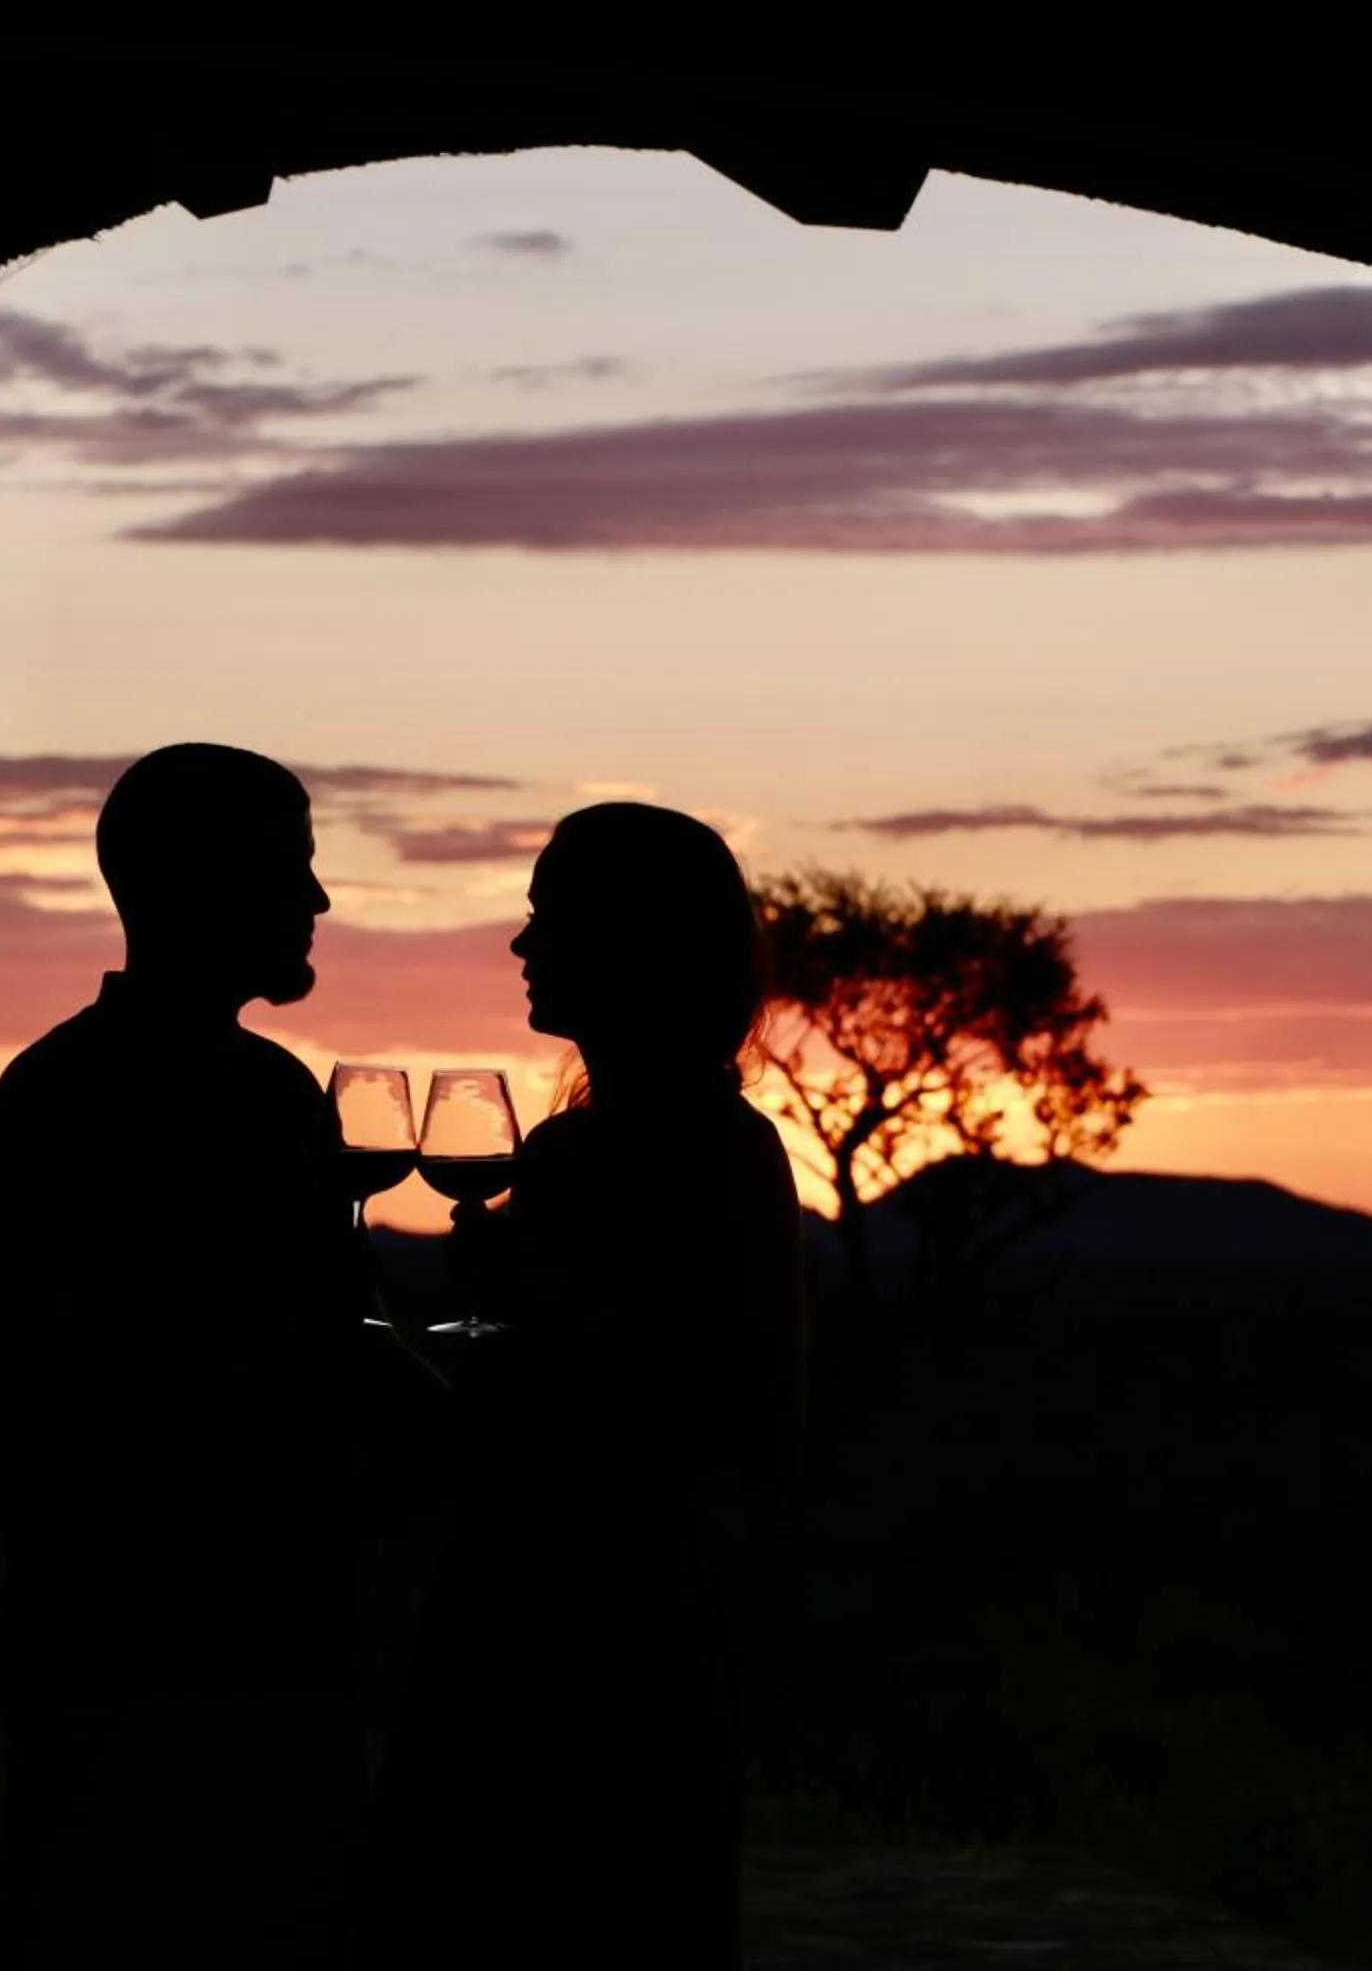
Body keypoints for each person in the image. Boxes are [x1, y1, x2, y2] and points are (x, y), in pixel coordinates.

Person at [0, 742, 442, 1971]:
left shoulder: (284, 1096)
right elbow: (37, 1420)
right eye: (297, 866)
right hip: (128, 1669)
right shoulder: (63, 1103)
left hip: (292, 1652)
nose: (320, 901)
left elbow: (331, 1342)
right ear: (196, 882)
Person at [357, 802, 807, 1971]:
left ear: (641, 937)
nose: (522, 942)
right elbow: (500, 1422)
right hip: (501, 1617)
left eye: (550, 912)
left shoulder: (724, 1152)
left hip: (628, 1645)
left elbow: (756, 1422)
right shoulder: (561, 1153)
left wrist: (540, 1298)